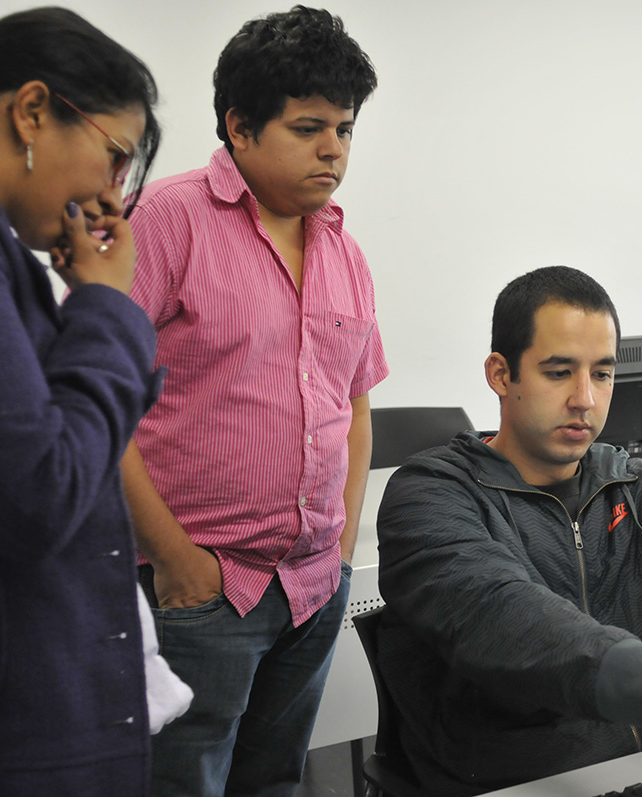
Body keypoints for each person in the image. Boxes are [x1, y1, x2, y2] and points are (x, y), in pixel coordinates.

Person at [376, 266, 642, 795]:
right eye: (559, 373)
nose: (585, 398)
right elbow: (502, 613)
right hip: (518, 778)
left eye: (601, 374)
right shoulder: (430, 494)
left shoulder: (630, 483)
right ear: (500, 374)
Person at [122, 6, 387, 795]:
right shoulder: (169, 220)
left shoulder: (344, 248)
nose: (333, 148)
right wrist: (174, 559)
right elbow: (94, 406)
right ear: (239, 126)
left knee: (274, 781)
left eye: (344, 128)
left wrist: (337, 557)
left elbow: (356, 405)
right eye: (309, 127)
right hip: (200, 588)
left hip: (310, 587)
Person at [0, 8, 163, 795]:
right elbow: (35, 490)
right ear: (33, 111)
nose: (112, 191)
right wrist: (109, 308)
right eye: (114, 157)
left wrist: (94, 302)